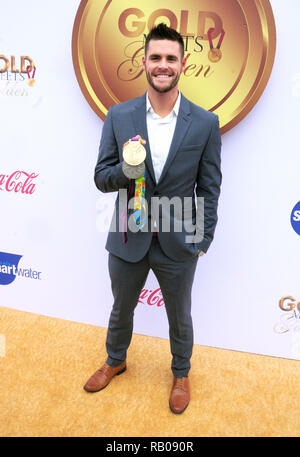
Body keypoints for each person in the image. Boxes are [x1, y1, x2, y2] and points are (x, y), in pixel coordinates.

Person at [84, 23, 222, 414]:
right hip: (129, 235)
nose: (163, 65)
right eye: (156, 58)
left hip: (179, 239)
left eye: (171, 58)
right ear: (144, 62)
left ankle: (181, 372)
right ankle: (115, 359)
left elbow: (209, 188)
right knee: (120, 306)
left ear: (183, 64)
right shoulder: (118, 116)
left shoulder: (205, 123)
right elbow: (100, 177)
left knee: (180, 314)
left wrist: (202, 239)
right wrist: (128, 172)